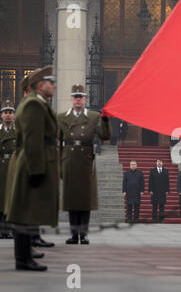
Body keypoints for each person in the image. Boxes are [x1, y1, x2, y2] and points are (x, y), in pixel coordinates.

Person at [4, 66, 59, 271]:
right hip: (30, 163)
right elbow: (32, 141)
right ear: (39, 85)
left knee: (26, 211)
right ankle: (23, 259)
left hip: (31, 161)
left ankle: (25, 256)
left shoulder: (38, 103)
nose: (53, 85)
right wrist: (36, 170)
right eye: (49, 82)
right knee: (24, 212)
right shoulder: (34, 105)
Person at [58, 84, 111, 245]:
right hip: (69, 159)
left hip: (86, 160)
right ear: (71, 100)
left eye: (81, 97)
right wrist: (59, 164)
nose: (78, 100)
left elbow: (105, 136)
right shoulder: (62, 117)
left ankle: (84, 234)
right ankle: (74, 234)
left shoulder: (94, 117)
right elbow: (57, 141)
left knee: (85, 200)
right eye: (75, 97)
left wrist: (105, 120)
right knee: (72, 200)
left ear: (85, 99)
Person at [0, 100, 16, 239]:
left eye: (10, 113)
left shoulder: (18, 132)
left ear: (14, 115)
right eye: (5, 113)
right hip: (1, 168)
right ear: (1, 115)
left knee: (10, 200)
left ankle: (9, 229)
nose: (8, 116)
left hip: (13, 167)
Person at [149, 159, 170, 223]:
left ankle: (161, 220)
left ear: (162, 163)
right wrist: (150, 190)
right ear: (156, 163)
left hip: (162, 192)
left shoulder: (166, 171)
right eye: (158, 162)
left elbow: (167, 181)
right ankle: (154, 219)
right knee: (154, 207)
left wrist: (167, 190)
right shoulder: (152, 171)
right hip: (154, 191)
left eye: (160, 162)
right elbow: (150, 181)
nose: (159, 163)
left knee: (162, 207)